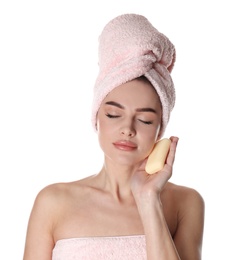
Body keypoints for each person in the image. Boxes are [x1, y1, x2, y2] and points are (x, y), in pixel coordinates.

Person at [23, 13, 205, 260]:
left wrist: (149, 200)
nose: (127, 129)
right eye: (113, 114)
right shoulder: (53, 202)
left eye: (145, 119)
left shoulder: (186, 203)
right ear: (97, 116)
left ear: (159, 130)